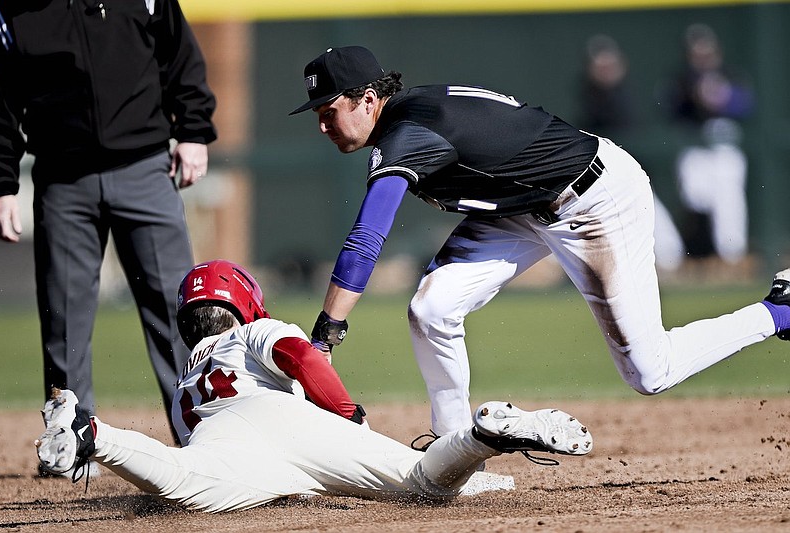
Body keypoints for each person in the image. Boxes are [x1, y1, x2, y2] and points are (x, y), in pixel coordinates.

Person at [288, 45, 790, 438]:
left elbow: (367, 235)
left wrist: (326, 333)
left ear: (369, 99)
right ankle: (452, 445)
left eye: (329, 109)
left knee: (650, 372)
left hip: (594, 199)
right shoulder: (415, 111)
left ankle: (778, 312)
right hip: (521, 206)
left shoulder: (409, 134)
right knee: (432, 308)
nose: (321, 123)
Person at [34, 259, 593, 512]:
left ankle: (93, 432)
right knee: (422, 484)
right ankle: (483, 435)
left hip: (218, 437)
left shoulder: (186, 387)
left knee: (182, 485)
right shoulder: (254, 330)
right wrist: (347, 415)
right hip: (282, 424)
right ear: (246, 304)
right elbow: (301, 355)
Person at [0, 0, 216, 442]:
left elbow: (181, 58)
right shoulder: (12, 11)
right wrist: (0, 184)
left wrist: (193, 131)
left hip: (146, 167)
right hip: (62, 179)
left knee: (176, 310)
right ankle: (69, 440)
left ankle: (199, 433)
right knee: (64, 319)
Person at [577, 34, 685, 273]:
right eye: (600, 66)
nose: (606, 71)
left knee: (660, 231)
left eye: (610, 65)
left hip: (631, 173)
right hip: (602, 176)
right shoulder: (591, 98)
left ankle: (673, 266)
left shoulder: (627, 95)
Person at [667, 23, 753, 264]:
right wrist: (693, 96)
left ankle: (732, 257)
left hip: (724, 143)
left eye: (707, 52)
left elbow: (745, 106)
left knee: (729, 196)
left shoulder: (730, 74)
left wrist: (722, 98)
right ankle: (701, 254)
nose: (702, 58)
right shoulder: (681, 80)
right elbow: (672, 109)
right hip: (695, 146)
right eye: (697, 53)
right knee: (696, 197)